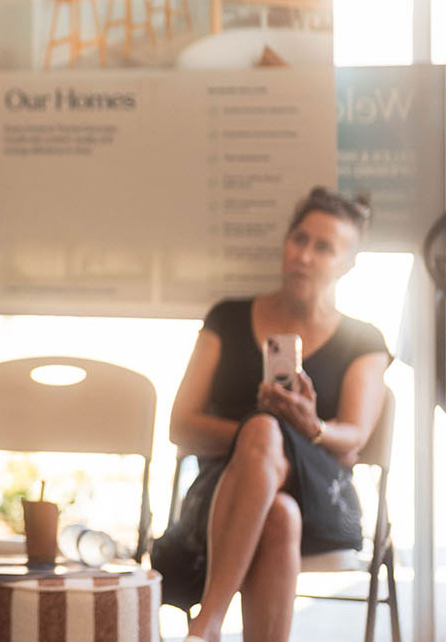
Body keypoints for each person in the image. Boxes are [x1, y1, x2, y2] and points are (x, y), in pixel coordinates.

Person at [155, 187, 390, 642]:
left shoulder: (364, 340)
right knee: (278, 507)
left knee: (265, 431)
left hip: (322, 497)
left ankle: (207, 624)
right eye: (299, 239)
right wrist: (257, 441)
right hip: (222, 493)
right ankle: (210, 626)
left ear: (348, 264)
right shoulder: (227, 318)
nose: (304, 255)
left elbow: (354, 436)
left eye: (324, 247)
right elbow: (180, 426)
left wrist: (309, 428)